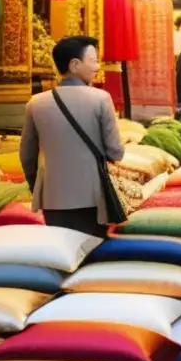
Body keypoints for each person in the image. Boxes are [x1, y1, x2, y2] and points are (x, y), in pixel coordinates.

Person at [19, 35, 125, 238]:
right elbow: (116, 152)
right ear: (75, 64)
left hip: (53, 197)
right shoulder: (101, 98)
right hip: (92, 197)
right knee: (90, 253)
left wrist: (37, 186)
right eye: (93, 61)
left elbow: (27, 156)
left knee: (61, 252)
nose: (97, 67)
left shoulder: (36, 103)